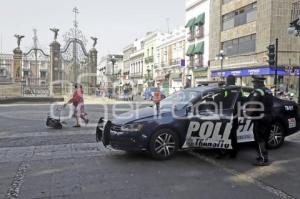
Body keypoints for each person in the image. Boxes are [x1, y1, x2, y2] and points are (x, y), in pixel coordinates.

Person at [246, 76, 273, 166]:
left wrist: (247, 115)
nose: (253, 85)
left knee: (259, 139)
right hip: (268, 117)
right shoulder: (268, 91)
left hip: (260, 118)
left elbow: (252, 106)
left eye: (254, 83)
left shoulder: (258, 92)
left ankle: (263, 159)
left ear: (258, 83)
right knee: (264, 138)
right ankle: (262, 156)